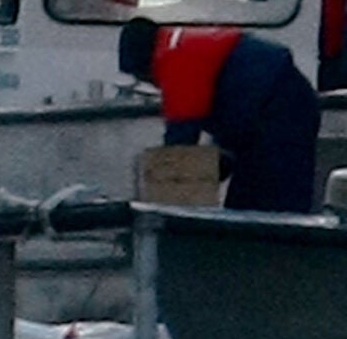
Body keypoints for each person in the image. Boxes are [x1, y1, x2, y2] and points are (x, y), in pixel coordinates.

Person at [119, 16, 321, 212]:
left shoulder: (175, 62)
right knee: (250, 201)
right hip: (279, 104)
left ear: (144, 66)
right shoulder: (185, 44)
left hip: (281, 113)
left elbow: (179, 144)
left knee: (271, 204)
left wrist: (162, 209)